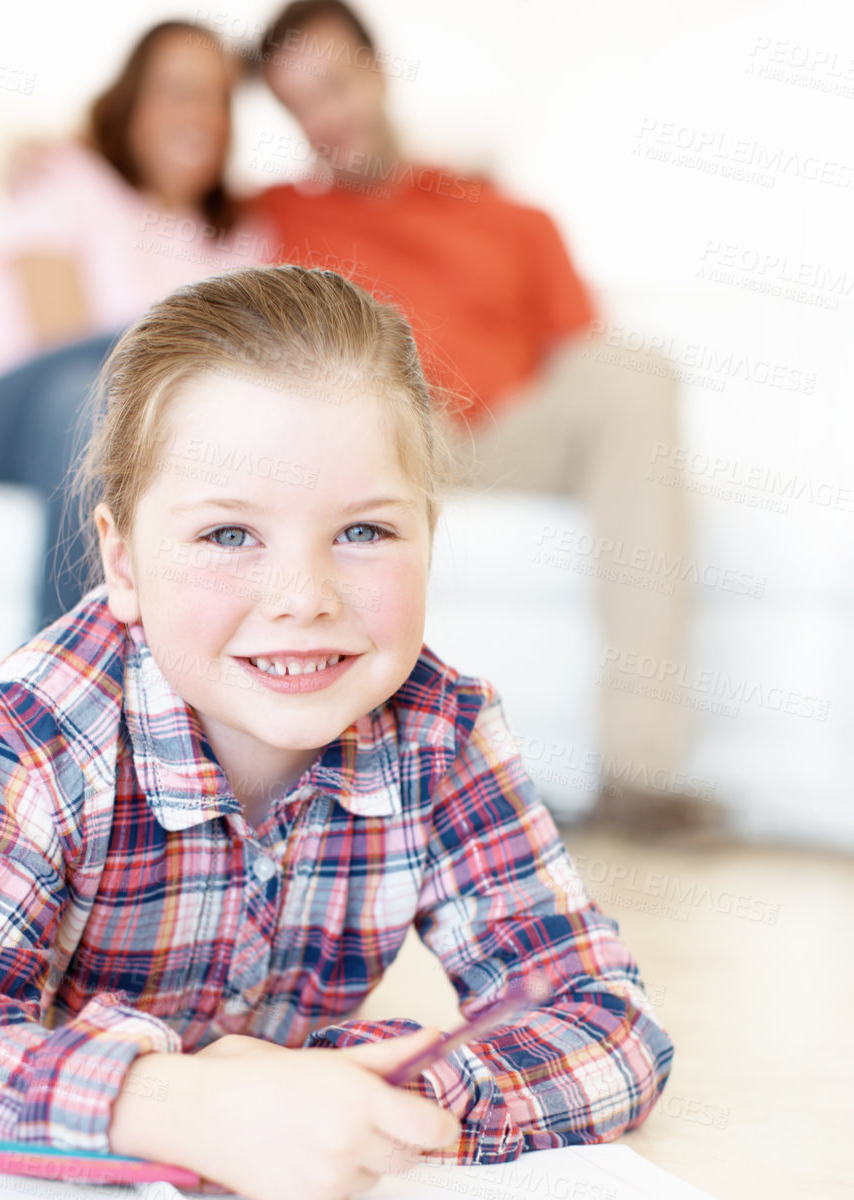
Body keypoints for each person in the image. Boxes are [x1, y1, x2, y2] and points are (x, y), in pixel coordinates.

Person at [0, 267, 672, 1200]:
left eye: (365, 530)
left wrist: (376, 1092)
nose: (303, 596)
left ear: (430, 535)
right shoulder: (32, 729)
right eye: (227, 536)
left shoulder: (442, 730)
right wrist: (183, 1106)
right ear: (122, 564)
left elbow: (610, 1025)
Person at [251, 1, 713, 841]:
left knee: (637, 374)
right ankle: (345, 786)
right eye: (298, 105)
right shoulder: (275, 217)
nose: (325, 119)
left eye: (334, 85)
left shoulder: (512, 219)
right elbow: (153, 176)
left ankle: (638, 774)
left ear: (378, 71)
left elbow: (585, 361)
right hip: (381, 436)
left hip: (500, 437)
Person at [0, 19, 269, 625]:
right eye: (177, 90)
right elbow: (65, 340)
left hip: (117, 432)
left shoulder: (240, 240)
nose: (199, 113)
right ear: (132, 104)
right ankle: (68, 690)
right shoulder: (66, 177)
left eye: (216, 97)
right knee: (96, 389)